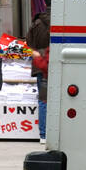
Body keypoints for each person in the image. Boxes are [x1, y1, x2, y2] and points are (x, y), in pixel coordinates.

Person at [26, 11, 50, 141]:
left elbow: (28, 44)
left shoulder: (35, 25)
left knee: (43, 100)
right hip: (56, 63)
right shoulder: (59, 21)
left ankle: (43, 135)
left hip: (41, 64)